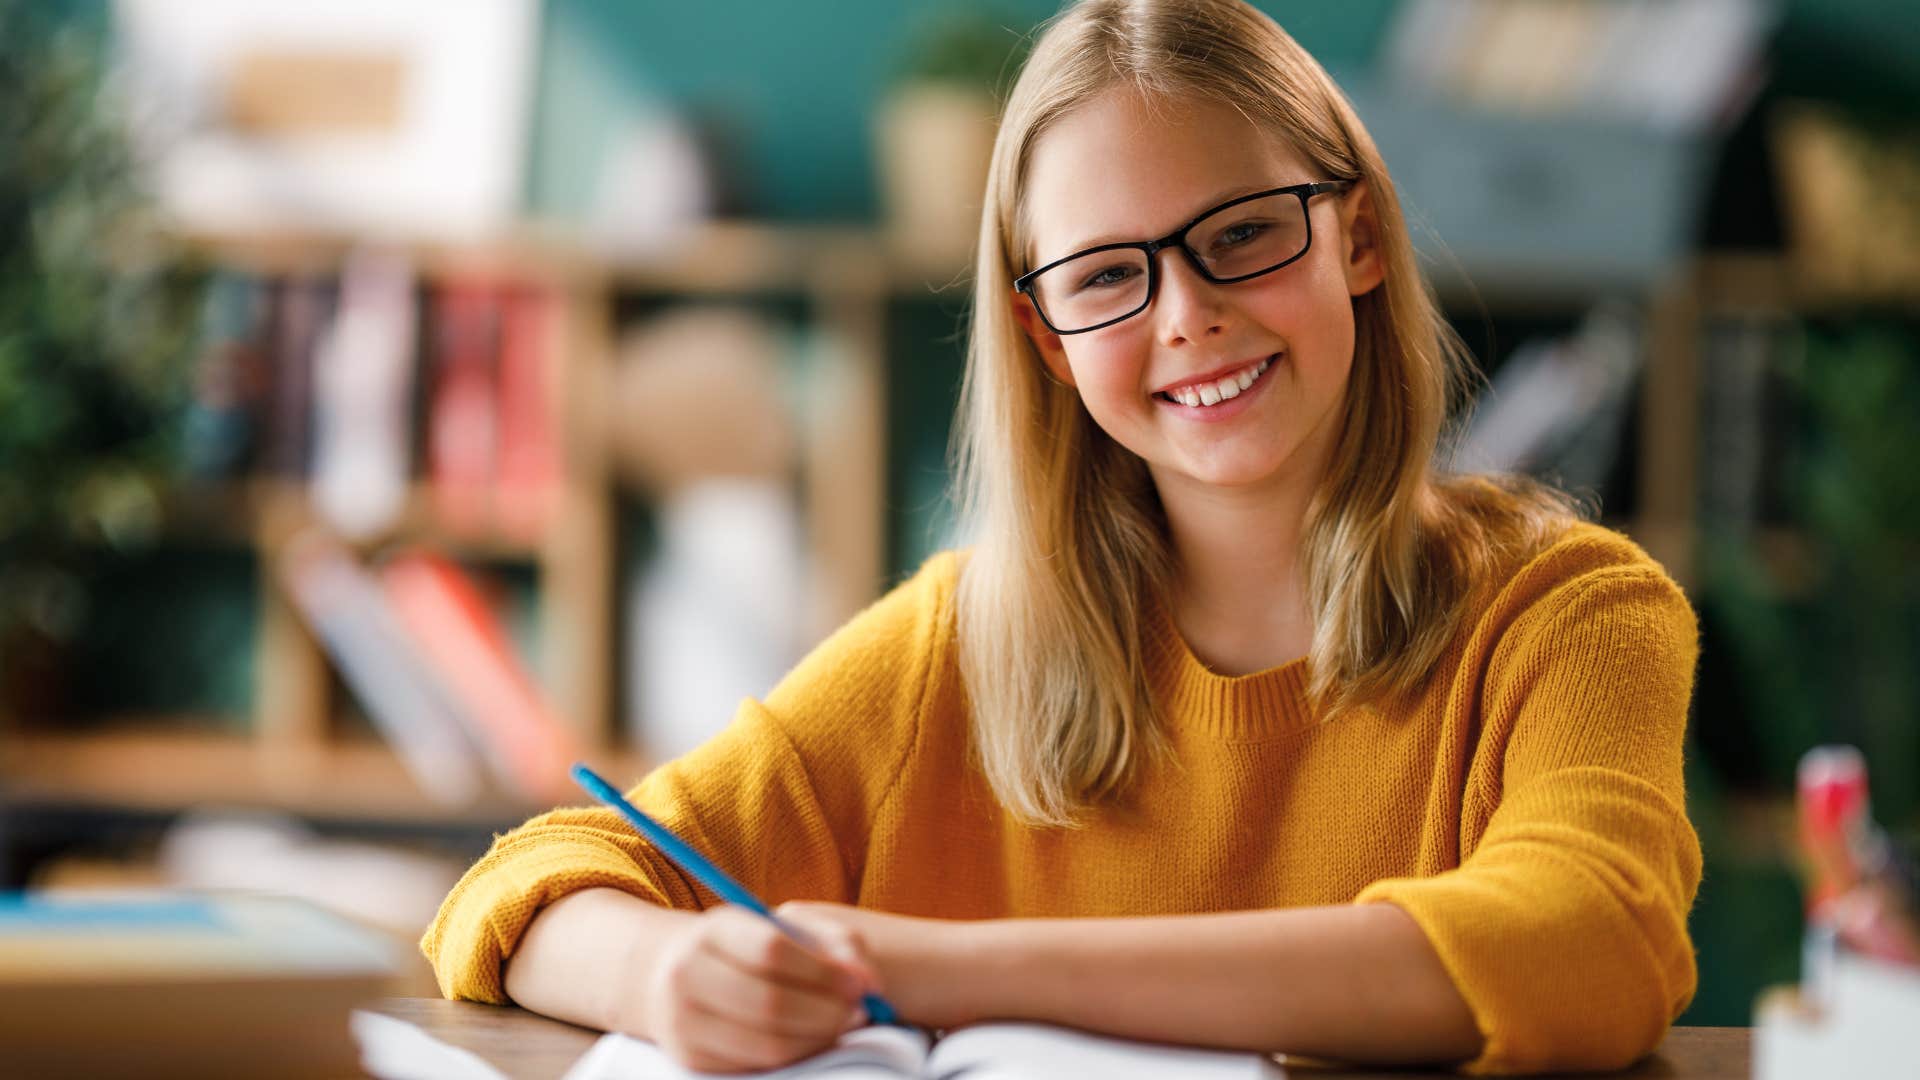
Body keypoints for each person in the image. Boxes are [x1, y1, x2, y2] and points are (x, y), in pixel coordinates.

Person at [423, 0, 1702, 1073]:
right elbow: (524, 886)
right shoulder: (962, 642)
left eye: (1243, 235)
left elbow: (1591, 937)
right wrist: (665, 972)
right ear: (1048, 340)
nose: (1187, 315)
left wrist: (951, 972)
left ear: (1355, 235)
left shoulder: (1570, 612)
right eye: (1105, 276)